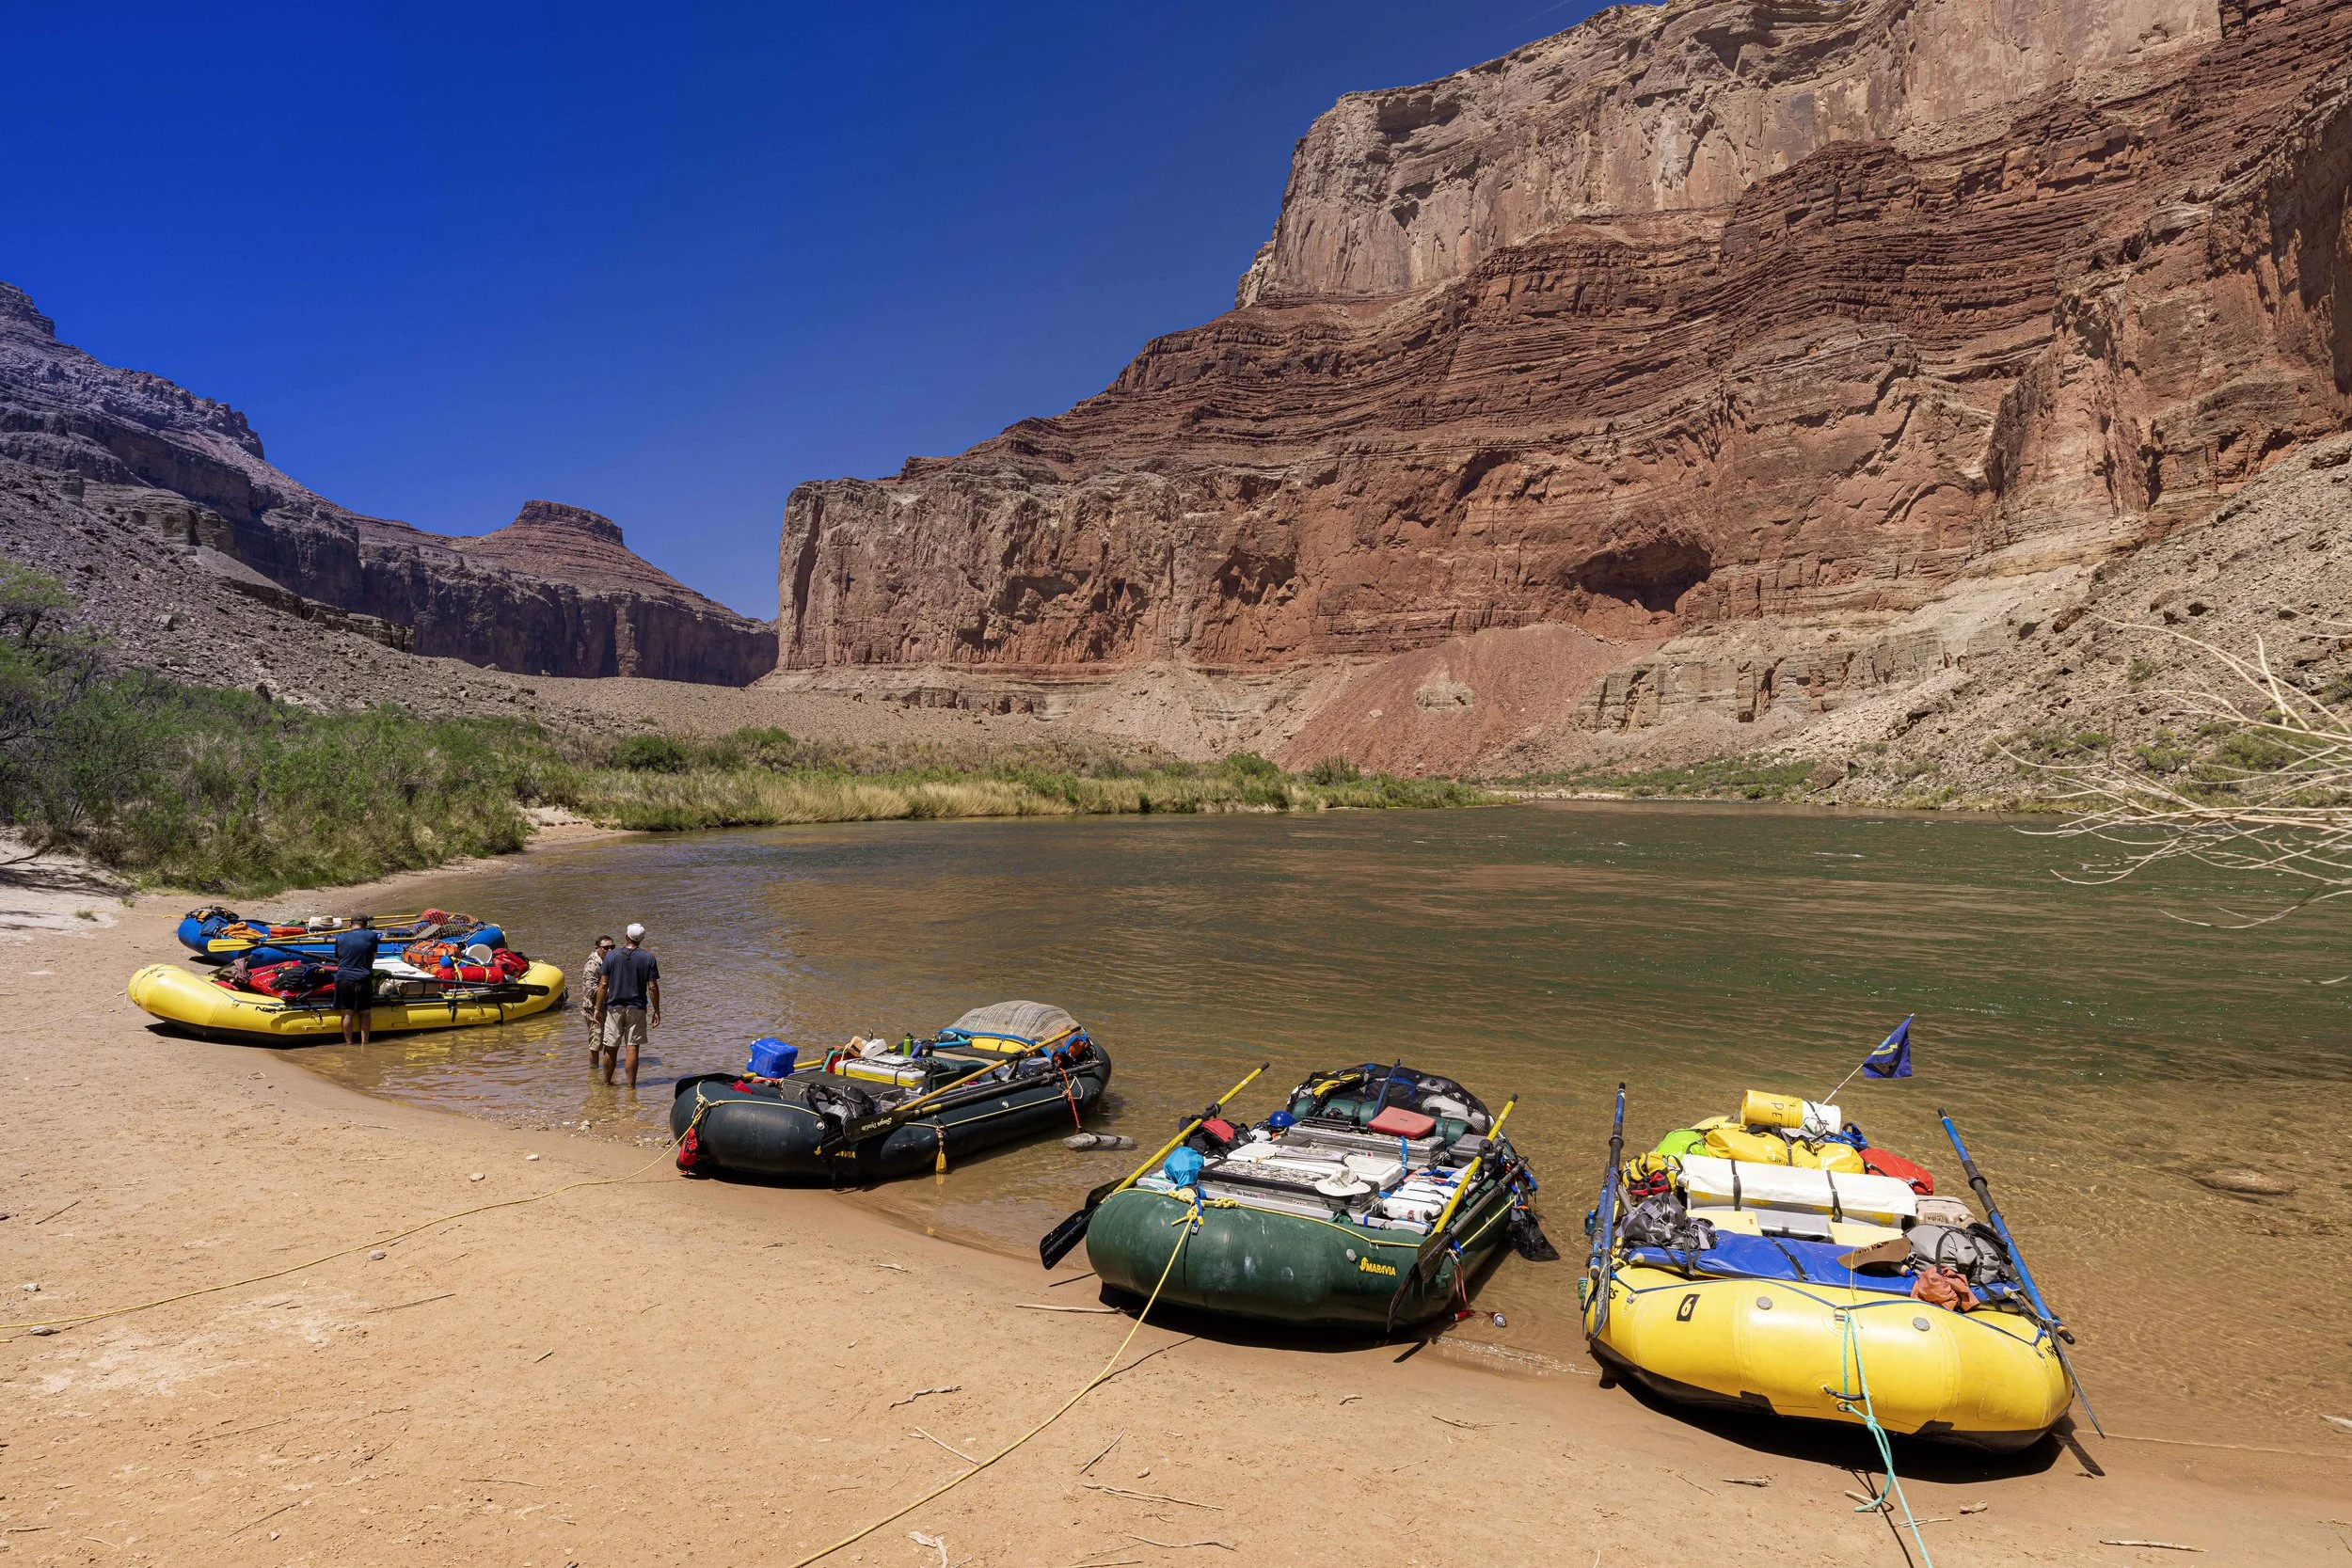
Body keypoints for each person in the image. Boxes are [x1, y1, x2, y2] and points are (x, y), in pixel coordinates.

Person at [594, 922, 660, 1088]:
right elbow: (652, 987)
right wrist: (657, 1010)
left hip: (614, 1006)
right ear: (641, 939)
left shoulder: (611, 956)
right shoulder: (648, 958)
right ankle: (631, 1087)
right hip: (637, 1007)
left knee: (611, 1046)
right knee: (632, 1048)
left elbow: (603, 984)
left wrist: (597, 1008)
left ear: (626, 937)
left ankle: (606, 1084)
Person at [334, 915, 381, 1046]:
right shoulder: (372, 936)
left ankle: (349, 1043)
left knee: (347, 1013)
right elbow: (372, 957)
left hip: (343, 978)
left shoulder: (340, 937)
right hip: (363, 977)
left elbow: (338, 961)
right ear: (365, 924)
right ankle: (364, 1043)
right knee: (365, 1013)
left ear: (350, 923)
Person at [580, 935, 614, 1066]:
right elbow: (590, 991)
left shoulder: (610, 961)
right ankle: (593, 1072)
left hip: (608, 1006)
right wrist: (612, 990)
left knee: (609, 1040)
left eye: (612, 947)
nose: (610, 950)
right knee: (596, 1042)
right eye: (606, 948)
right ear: (598, 948)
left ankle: (606, 1068)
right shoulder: (592, 965)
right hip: (592, 1007)